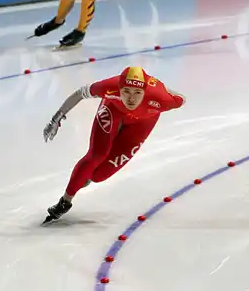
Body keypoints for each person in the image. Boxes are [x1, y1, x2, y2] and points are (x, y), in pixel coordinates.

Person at [41, 66, 185, 223]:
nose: (131, 98)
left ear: (145, 91)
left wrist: (162, 85)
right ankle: (65, 202)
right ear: (119, 88)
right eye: (126, 92)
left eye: (137, 93)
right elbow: (80, 93)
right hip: (112, 110)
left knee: (99, 175)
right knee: (97, 155)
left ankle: (86, 177)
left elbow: (182, 98)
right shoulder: (109, 87)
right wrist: (56, 119)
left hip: (143, 122)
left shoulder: (161, 99)